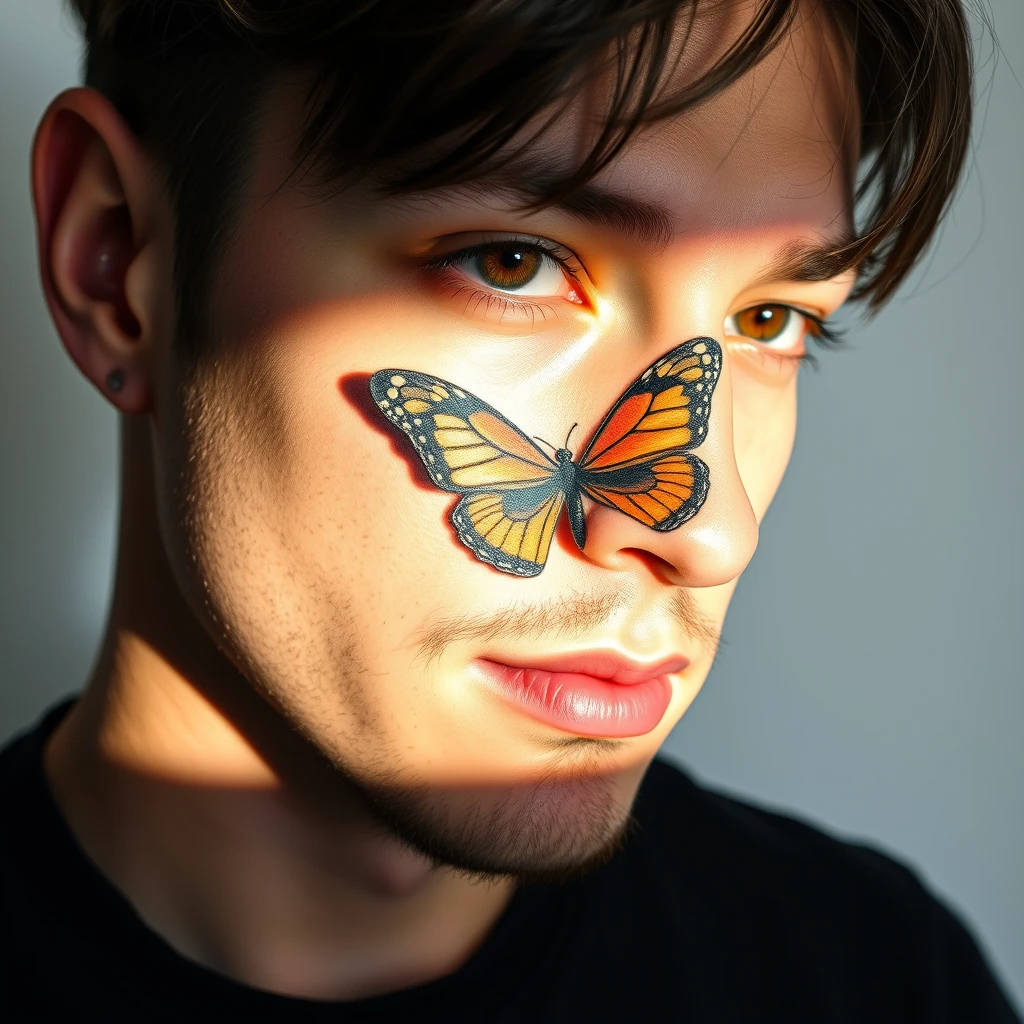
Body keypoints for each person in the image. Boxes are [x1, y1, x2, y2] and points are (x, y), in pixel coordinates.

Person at [1, 0, 1019, 1018]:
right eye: (511, 262)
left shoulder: (882, 981)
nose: (709, 532)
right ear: (115, 260)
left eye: (769, 318)